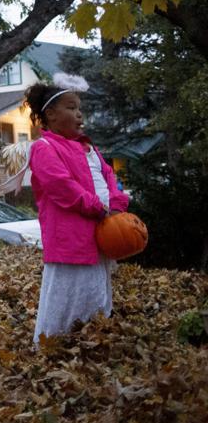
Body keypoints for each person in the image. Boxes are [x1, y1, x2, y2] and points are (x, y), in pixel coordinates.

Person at [25, 76, 129, 345]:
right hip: (69, 242)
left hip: (100, 236)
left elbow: (109, 177)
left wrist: (117, 206)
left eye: (80, 108)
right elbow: (63, 187)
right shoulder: (43, 148)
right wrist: (99, 208)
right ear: (51, 114)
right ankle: (55, 347)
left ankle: (91, 345)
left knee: (95, 294)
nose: (79, 114)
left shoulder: (90, 148)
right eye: (71, 108)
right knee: (67, 297)